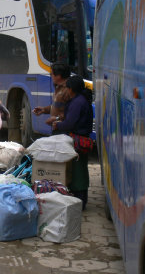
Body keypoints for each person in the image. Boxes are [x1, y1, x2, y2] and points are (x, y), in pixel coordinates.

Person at [52, 75, 93, 209]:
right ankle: (80, 198)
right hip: (81, 139)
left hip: (78, 141)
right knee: (79, 169)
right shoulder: (80, 100)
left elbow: (70, 123)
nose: (66, 91)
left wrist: (58, 125)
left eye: (67, 88)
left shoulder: (77, 102)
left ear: (71, 89)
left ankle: (80, 200)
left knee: (78, 171)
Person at [33, 62, 71, 130]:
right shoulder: (58, 88)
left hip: (63, 129)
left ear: (59, 76)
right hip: (56, 127)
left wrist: (57, 118)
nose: (51, 76)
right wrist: (44, 109)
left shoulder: (68, 90)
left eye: (52, 74)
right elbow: (58, 106)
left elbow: (71, 112)